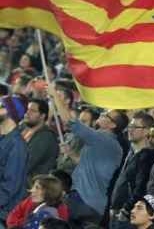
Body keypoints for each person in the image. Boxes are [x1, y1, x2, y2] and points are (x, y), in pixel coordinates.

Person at [49, 87, 125, 225]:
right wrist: (71, 153)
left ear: (112, 125)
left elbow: (69, 121)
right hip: (93, 205)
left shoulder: (102, 138)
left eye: (105, 115)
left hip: (82, 201)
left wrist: (55, 96)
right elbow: (88, 166)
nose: (101, 115)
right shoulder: (114, 146)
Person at [110, 112, 154, 227]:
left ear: (147, 131)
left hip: (129, 216)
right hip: (117, 213)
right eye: (129, 126)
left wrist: (126, 209)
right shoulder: (131, 153)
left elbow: (141, 187)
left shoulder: (147, 157)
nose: (130, 130)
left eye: (135, 127)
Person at [0, 94, 29, 226]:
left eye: (1, 106)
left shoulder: (17, 146)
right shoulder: (4, 138)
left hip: (3, 214)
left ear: (10, 113)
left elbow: (10, 186)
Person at [22, 98, 60, 182]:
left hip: (31, 185)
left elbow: (25, 165)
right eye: (27, 109)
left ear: (42, 116)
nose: (27, 113)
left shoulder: (46, 137)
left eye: (32, 111)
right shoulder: (24, 129)